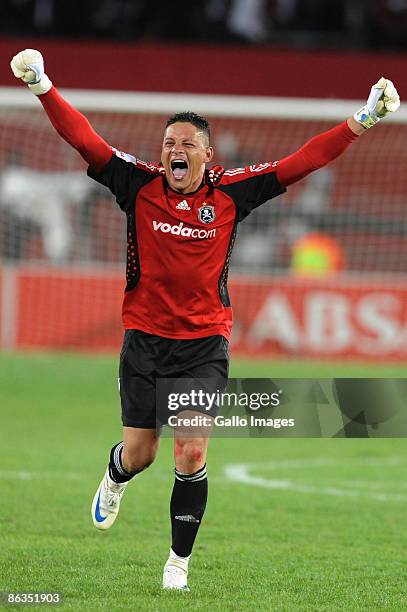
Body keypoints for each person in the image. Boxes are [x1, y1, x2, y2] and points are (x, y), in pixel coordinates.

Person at [10, 49, 400, 592]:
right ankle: (117, 474)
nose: (175, 151)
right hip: (143, 341)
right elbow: (85, 140)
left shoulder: (232, 192)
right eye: (169, 143)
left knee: (191, 449)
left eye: (187, 144)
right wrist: (42, 85)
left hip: (203, 344)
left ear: (206, 154)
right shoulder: (137, 185)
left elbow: (302, 160)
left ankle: (177, 563)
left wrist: (364, 120)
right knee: (141, 454)